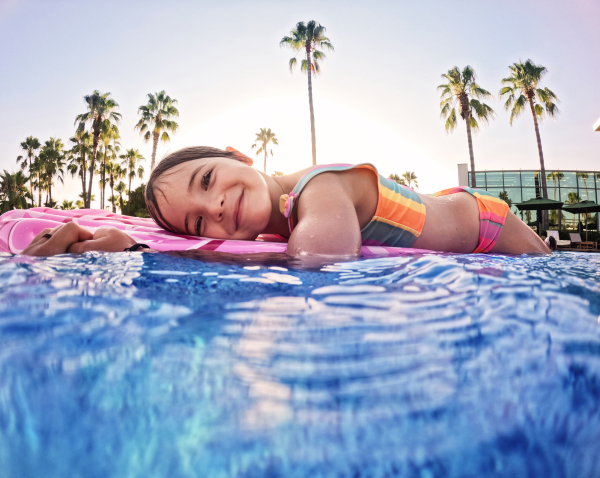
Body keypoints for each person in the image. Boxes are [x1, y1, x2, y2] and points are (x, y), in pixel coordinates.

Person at [22, 146, 550, 257]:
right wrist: (130, 248)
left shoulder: (320, 187)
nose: (218, 207)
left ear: (239, 155)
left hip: (483, 222)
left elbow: (320, 253)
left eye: (208, 180)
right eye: (198, 221)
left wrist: (169, 254)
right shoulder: (266, 224)